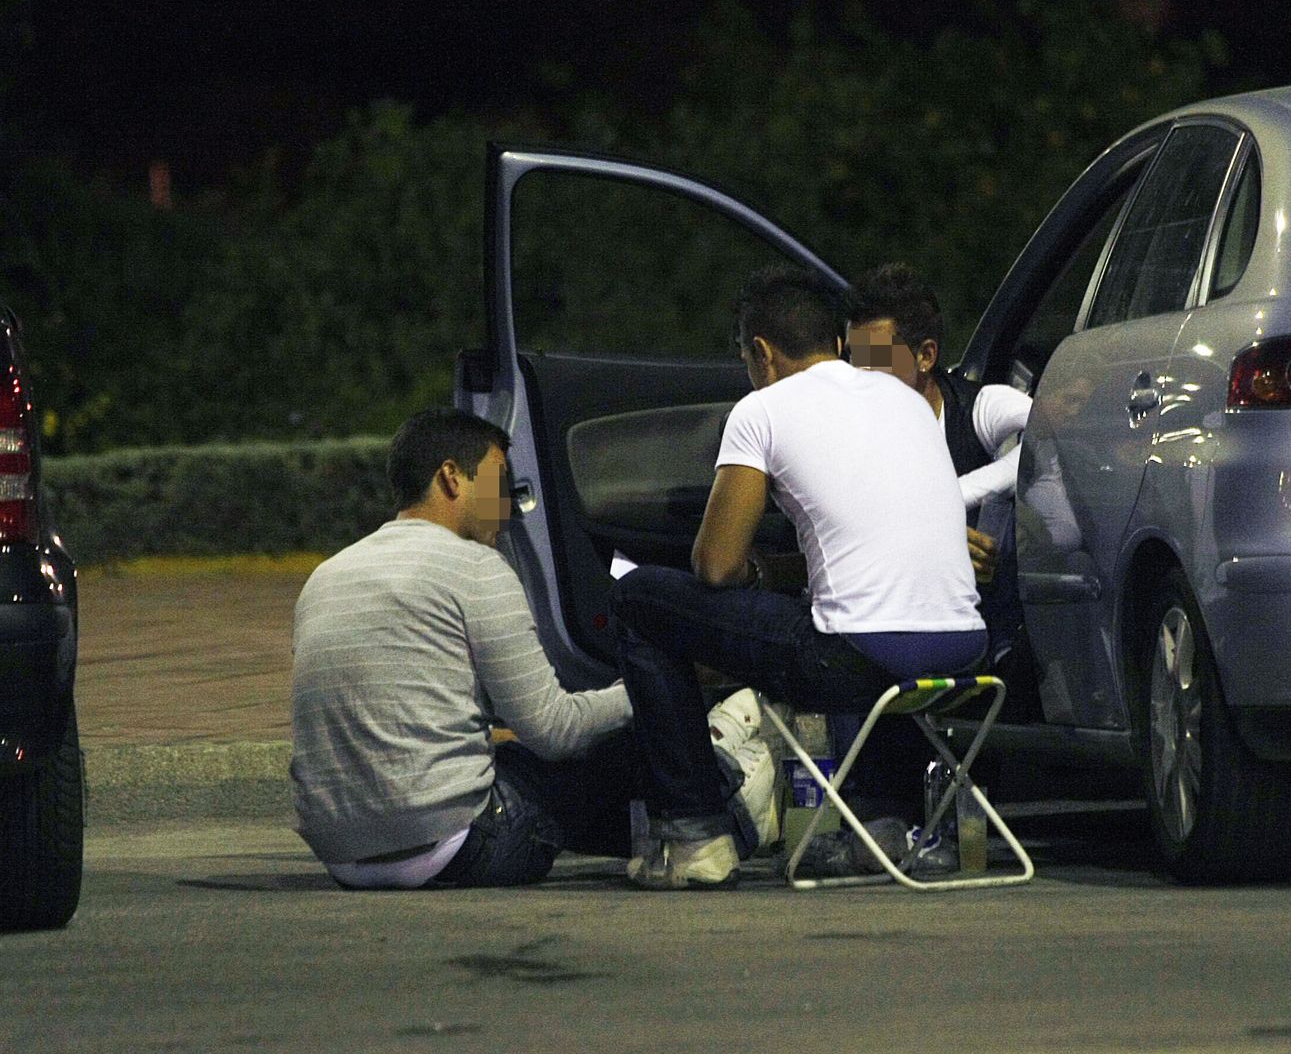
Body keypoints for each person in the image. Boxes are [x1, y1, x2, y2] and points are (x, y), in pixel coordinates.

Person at [609, 265, 985, 890]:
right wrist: (776, 573)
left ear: (761, 352)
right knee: (858, 611)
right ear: (837, 342)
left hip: (859, 661)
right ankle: (880, 825)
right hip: (964, 651)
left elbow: (715, 565)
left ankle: (695, 835)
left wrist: (753, 573)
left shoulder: (761, 410)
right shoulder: (904, 397)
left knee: (639, 599)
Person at [290, 407, 774, 889]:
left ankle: (704, 792)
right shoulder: (474, 567)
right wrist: (659, 686)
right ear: (451, 478)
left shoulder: (326, 576)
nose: (509, 505)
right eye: (499, 482)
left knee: (517, 757)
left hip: (344, 857)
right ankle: (730, 794)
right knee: (593, 759)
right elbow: (556, 731)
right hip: (460, 848)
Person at [838, 263, 1035, 826]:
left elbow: (1047, 433)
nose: (859, 378)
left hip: (983, 621)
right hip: (891, 617)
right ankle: (875, 809)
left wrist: (948, 504)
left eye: (875, 361)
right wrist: (937, 536)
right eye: (852, 361)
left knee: (1018, 507)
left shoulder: (976, 407)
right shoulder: (848, 431)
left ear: (925, 356)